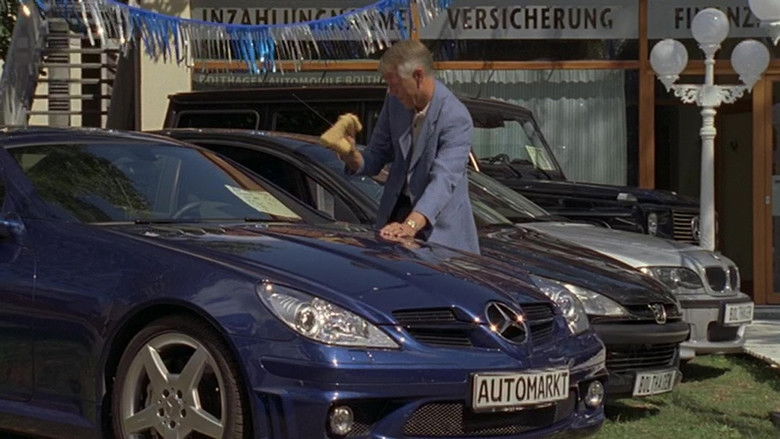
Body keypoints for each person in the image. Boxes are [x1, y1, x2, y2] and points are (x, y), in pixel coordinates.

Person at [319, 40, 479, 254]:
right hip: (394, 219)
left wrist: (410, 225)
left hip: (439, 234)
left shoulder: (455, 117)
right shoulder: (395, 103)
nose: (392, 92)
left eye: (395, 84)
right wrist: (350, 153)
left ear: (418, 76)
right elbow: (376, 156)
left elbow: (444, 180)